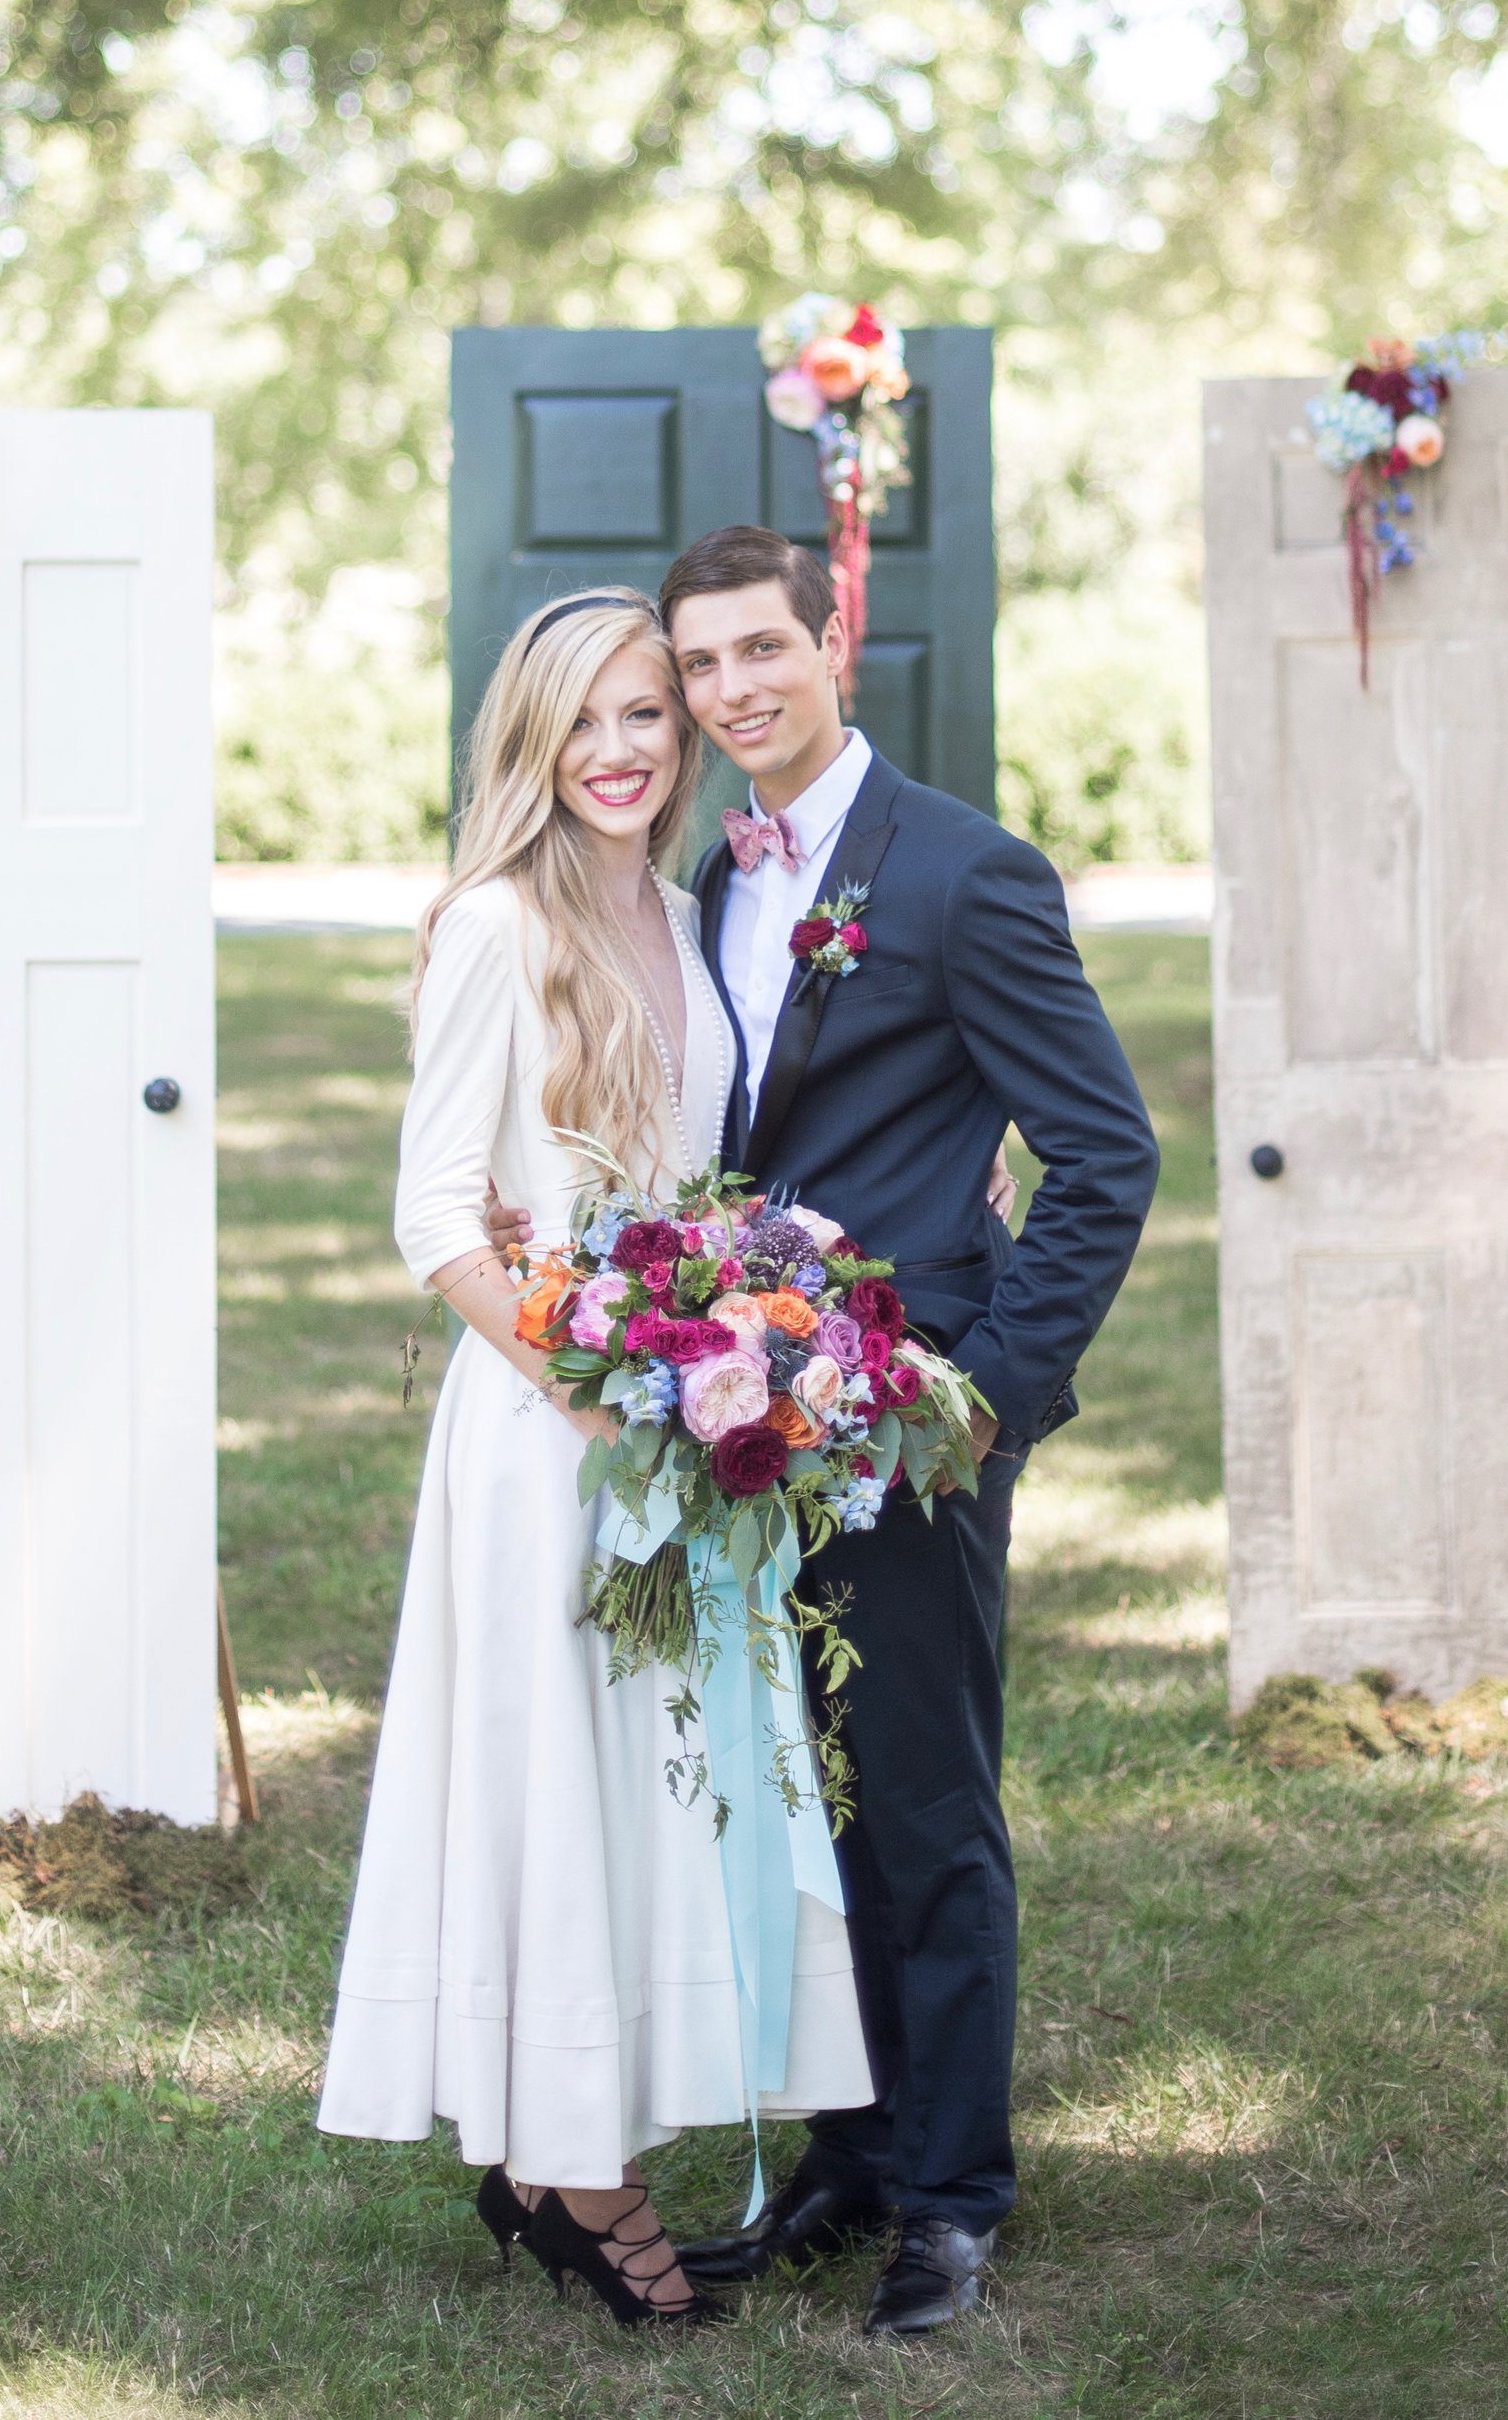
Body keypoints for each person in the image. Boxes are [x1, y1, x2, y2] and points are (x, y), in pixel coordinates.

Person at [316, 586, 872, 2327]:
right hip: (552, 1432)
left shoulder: (680, 904)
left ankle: (575, 2130)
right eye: (590, 720)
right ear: (533, 740)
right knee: (560, 1782)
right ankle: (574, 2173)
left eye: (651, 713)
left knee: (656, 1788)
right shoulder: (497, 922)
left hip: (682, 1424)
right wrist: (594, 1381)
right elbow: (432, 1218)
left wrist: (737, 1343)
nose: (625, 750)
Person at [659, 523, 1161, 2343]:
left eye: (760, 651)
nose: (732, 692)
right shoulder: (713, 872)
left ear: (832, 637)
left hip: (912, 1421)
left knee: (927, 1803)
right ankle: (853, 2151)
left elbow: (1106, 1155)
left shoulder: (961, 872)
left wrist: (989, 1401)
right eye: (701, 665)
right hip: (747, 1425)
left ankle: (951, 2197)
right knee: (804, 1797)